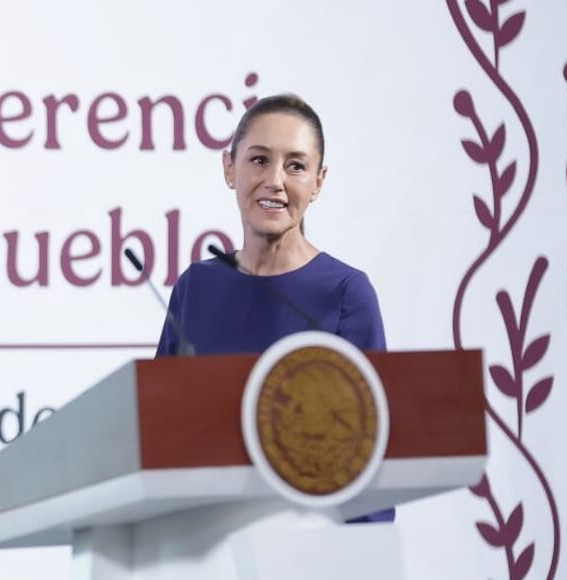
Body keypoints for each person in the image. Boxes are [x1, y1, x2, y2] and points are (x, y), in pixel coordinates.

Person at [156, 93, 392, 522]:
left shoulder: (346, 293)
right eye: (259, 160)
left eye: (296, 166)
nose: (275, 181)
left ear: (319, 182)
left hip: (312, 555)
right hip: (203, 550)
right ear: (230, 169)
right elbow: (160, 442)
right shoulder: (196, 287)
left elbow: (370, 461)